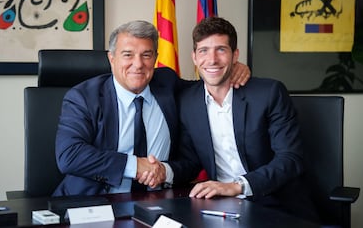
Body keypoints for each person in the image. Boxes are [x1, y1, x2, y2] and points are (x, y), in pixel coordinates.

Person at [53, 20, 250, 196]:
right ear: (112, 58)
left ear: (155, 57)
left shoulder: (167, 83)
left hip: (157, 204)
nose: (138, 64)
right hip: (93, 203)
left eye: (146, 55)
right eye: (128, 55)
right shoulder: (84, 97)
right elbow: (70, 155)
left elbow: (208, 83)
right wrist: (135, 166)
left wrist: (233, 68)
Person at [148, 17, 318, 221]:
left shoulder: (269, 93)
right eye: (203, 51)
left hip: (276, 203)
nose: (212, 60)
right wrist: (163, 171)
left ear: (235, 55)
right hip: (220, 208)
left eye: (221, 49)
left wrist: (236, 186)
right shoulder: (188, 100)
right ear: (194, 57)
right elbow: (190, 161)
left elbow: (291, 159)